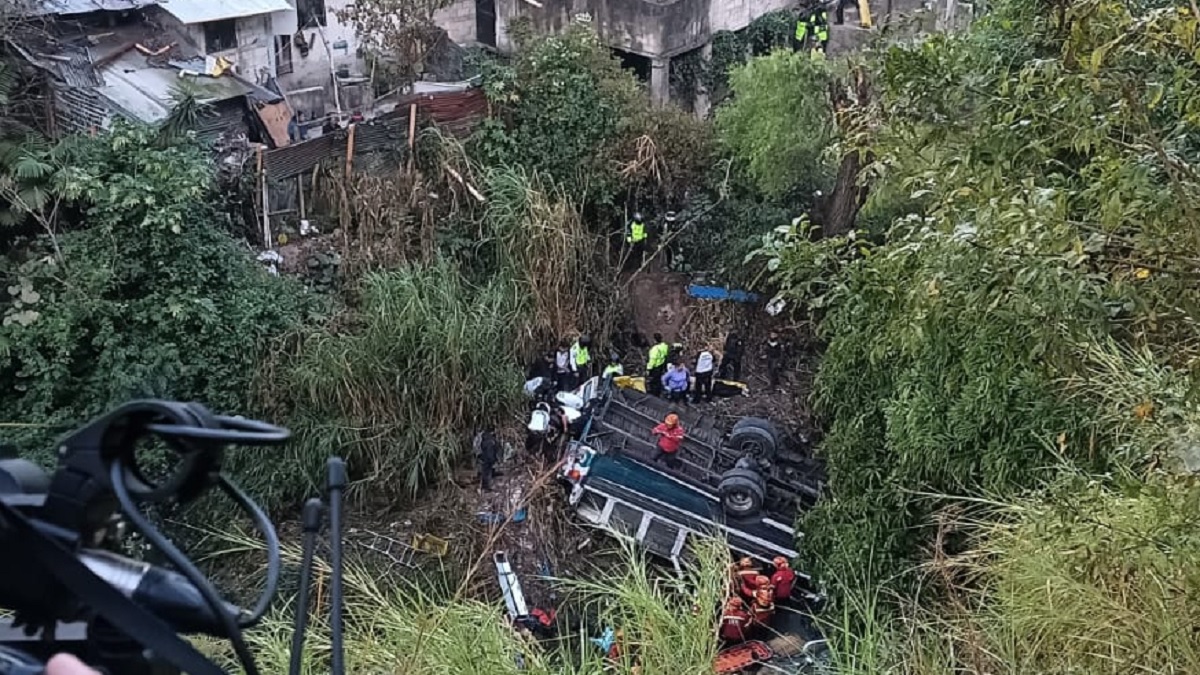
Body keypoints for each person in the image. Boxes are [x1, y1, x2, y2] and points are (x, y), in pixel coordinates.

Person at [477, 426, 500, 493]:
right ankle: (486, 487)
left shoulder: (485, 437)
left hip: (486, 457)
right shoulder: (489, 440)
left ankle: (485, 486)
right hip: (487, 458)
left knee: (486, 471)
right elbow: (489, 450)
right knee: (486, 472)